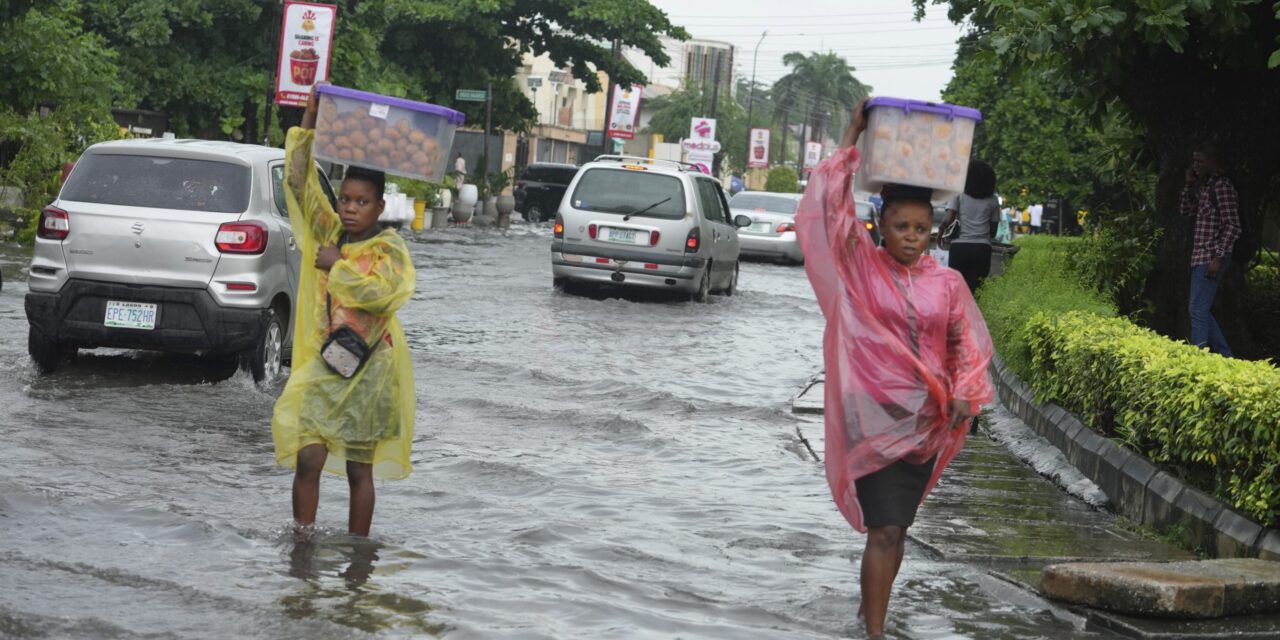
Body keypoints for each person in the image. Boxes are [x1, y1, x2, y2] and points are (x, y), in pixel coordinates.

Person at [795, 98, 994, 639]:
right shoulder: (860, 265)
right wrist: (853, 134)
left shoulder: (946, 284)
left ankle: (870, 611)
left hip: (927, 424)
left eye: (922, 227)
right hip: (873, 415)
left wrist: (965, 392)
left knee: (897, 528)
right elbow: (829, 207)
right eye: (902, 225)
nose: (912, 235)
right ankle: (876, 633)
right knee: (884, 527)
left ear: (936, 228)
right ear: (880, 224)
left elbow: (964, 343)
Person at [272, 86, 417, 536]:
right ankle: (302, 540)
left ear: (379, 206)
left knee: (359, 471)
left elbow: (383, 295)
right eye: (346, 199)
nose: (351, 208)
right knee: (308, 456)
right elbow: (299, 181)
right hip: (325, 363)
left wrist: (339, 267)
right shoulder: (328, 230)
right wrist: (309, 118)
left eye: (362, 202)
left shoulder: (389, 248)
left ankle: (358, 556)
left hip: (372, 372)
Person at [1179, 140, 1241, 356]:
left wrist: (1218, 257)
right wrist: (1189, 184)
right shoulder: (1205, 187)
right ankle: (1226, 356)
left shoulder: (1222, 187)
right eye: (1194, 160)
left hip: (1211, 257)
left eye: (1201, 160)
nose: (1196, 165)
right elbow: (1186, 211)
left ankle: (1200, 360)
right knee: (1200, 310)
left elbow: (1233, 225)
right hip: (1200, 256)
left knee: (1196, 310)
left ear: (1213, 161)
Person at [942, 161, 1001, 293]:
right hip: (982, 249)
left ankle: (956, 314)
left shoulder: (959, 195)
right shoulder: (993, 200)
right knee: (974, 293)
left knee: (956, 291)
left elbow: (948, 220)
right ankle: (971, 313)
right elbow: (993, 232)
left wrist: (940, 234)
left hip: (959, 249)